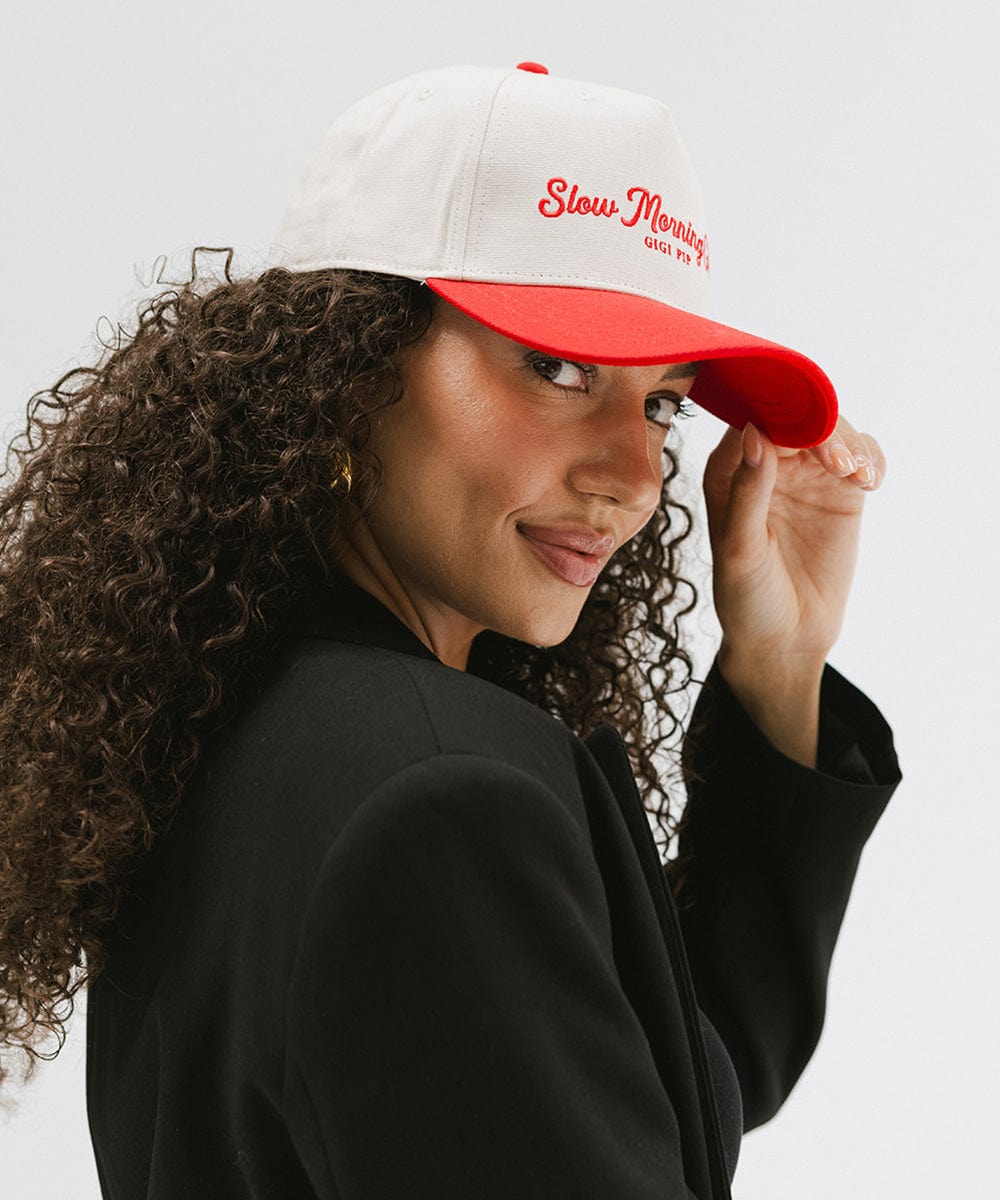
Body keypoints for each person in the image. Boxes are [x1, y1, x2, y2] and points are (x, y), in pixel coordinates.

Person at [0, 63, 901, 1199]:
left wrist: (778, 666)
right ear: (342, 367)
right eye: (559, 367)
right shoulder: (439, 791)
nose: (635, 479)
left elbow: (664, 1074)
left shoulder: (225, 717)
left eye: (662, 402)